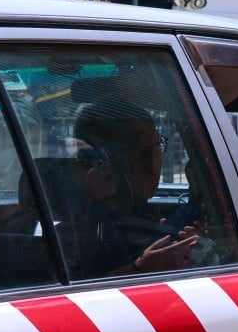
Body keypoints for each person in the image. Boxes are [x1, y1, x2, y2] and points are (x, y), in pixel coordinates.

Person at [62, 100, 198, 277]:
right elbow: (81, 289)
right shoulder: (87, 227)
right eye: (159, 143)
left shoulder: (74, 223)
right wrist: (140, 269)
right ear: (145, 157)